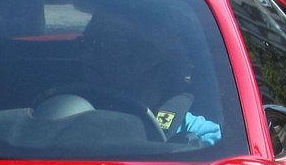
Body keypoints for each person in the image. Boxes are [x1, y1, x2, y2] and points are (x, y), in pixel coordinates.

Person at [80, 10, 222, 144]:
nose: (86, 56)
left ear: (149, 55)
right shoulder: (65, 114)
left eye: (105, 44)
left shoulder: (199, 135)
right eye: (84, 43)